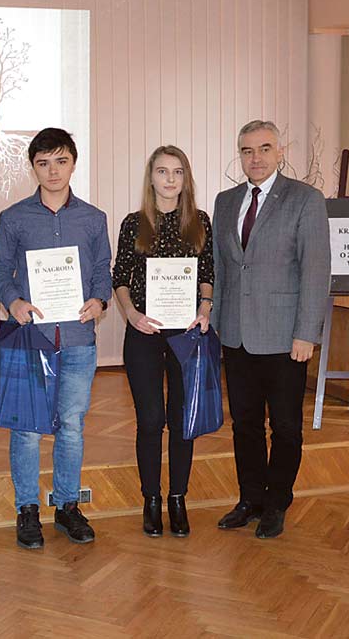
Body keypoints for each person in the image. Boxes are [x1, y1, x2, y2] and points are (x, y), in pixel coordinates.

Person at [0, 127, 112, 549]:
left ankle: (66, 507)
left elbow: (102, 270)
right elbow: (1, 270)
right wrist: (13, 301)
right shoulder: (13, 218)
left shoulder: (93, 219)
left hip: (78, 338)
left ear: (73, 163)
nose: (53, 171)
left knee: (72, 427)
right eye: (43, 163)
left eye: (61, 161)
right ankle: (27, 510)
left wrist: (99, 300)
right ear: (34, 168)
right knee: (27, 429)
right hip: (33, 340)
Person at [212, 120, 330, 539]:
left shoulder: (305, 200)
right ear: (239, 155)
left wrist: (307, 333)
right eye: (247, 150)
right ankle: (250, 499)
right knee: (244, 424)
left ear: (280, 152)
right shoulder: (226, 201)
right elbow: (222, 269)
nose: (256, 158)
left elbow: (316, 270)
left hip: (285, 337)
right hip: (236, 335)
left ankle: (276, 502)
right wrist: (215, 325)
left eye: (264, 148)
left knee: (285, 426)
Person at [112, 145, 214, 538]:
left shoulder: (199, 222)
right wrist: (131, 314)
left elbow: (207, 273)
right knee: (151, 419)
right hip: (144, 333)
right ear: (150, 177)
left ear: (186, 179)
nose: (170, 179)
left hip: (187, 335)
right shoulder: (133, 224)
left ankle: (178, 498)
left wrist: (204, 309)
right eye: (162, 171)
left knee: (181, 420)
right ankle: (151, 499)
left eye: (177, 172)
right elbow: (120, 277)